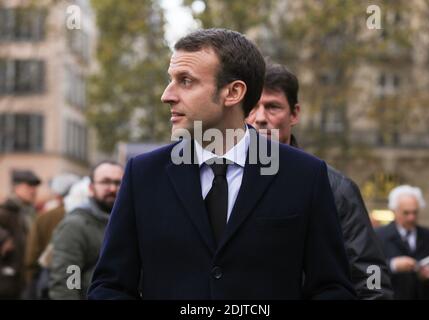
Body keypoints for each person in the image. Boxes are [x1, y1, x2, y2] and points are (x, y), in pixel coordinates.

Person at [88, 28, 355, 300]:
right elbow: (109, 287)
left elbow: (332, 288)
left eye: (186, 81)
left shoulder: (304, 176)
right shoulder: (143, 175)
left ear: (233, 92)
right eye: (171, 80)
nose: (167, 95)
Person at [246, 62, 393, 299]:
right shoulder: (222, 180)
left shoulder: (336, 188)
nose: (261, 118)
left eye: (272, 107)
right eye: (253, 107)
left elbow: (371, 277)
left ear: (294, 114)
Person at [48, 161, 123, 300]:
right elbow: (67, 282)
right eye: (105, 182)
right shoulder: (75, 226)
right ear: (91, 187)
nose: (112, 188)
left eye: (118, 183)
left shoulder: (128, 222)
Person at [376, 185, 429, 299]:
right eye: (406, 213)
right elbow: (369, 271)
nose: (411, 217)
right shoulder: (378, 236)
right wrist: (393, 265)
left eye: (415, 212)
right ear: (394, 211)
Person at [23, 173, 80, 299]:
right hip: (79, 282)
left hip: (50, 282)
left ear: (57, 195)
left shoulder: (44, 218)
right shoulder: (88, 217)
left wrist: (32, 281)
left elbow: (32, 257)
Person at [0, 170, 41, 299]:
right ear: (16, 187)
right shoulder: (5, 211)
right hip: (9, 282)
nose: (33, 190)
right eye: (29, 186)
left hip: (27, 279)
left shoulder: (30, 212)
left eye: (35, 187)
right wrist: (3, 239)